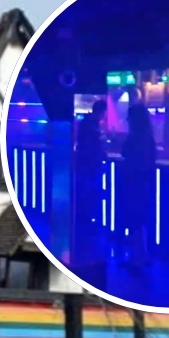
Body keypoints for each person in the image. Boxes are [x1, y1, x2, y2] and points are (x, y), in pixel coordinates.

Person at [118, 103, 157, 266]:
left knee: (134, 220)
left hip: (133, 183)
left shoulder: (134, 138)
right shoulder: (148, 138)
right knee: (140, 220)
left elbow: (124, 152)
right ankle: (141, 256)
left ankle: (137, 258)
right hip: (144, 183)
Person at [73, 99, 108, 263]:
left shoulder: (88, 124)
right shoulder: (91, 125)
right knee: (89, 194)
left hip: (87, 166)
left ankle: (85, 223)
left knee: (88, 194)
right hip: (89, 166)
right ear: (101, 112)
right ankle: (86, 222)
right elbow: (91, 147)